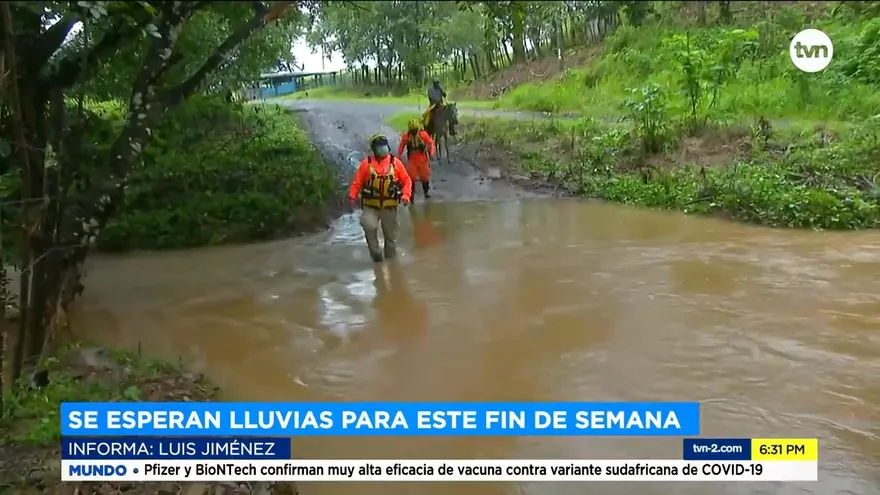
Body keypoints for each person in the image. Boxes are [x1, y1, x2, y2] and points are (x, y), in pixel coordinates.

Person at [349, 134, 413, 263]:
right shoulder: (366, 164)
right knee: (369, 226)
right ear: (374, 149)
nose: (383, 149)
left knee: (391, 238)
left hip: (389, 206)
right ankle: (376, 255)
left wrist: (406, 195)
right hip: (370, 206)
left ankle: (391, 264)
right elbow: (357, 182)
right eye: (379, 146)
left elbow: (406, 181)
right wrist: (352, 196)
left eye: (384, 146)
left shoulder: (395, 163)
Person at [397, 119, 436, 201]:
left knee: (424, 177)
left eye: (415, 130)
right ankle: (411, 194)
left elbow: (431, 144)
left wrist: (431, 153)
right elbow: (401, 147)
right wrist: (398, 158)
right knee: (411, 177)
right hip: (412, 159)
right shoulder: (406, 136)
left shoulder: (423, 134)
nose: (414, 132)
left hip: (422, 158)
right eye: (412, 130)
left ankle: (426, 192)